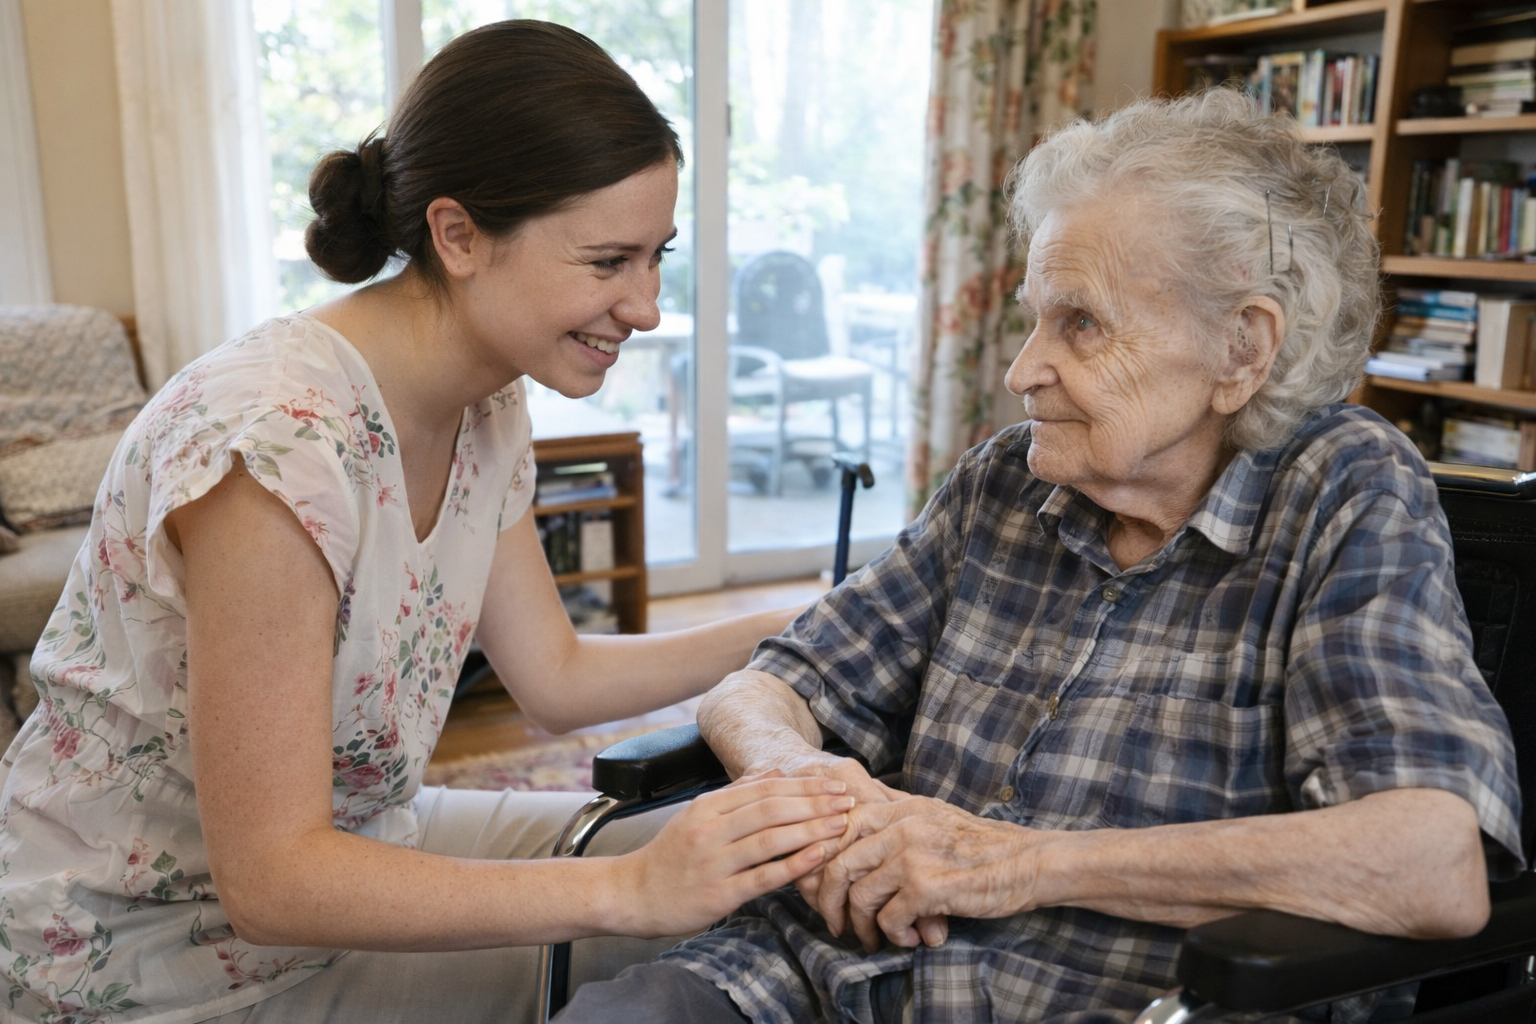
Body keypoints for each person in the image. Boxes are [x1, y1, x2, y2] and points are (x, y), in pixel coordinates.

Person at [554, 89, 1526, 1024]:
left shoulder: (1343, 493)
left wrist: (1019, 861)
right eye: (1034, 316)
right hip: (814, 976)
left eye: (1081, 322)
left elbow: (1429, 864)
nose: (1023, 370)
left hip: (1114, 1000)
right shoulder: (1006, 483)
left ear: (1241, 349)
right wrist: (805, 788)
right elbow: (763, 688)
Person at [0, 20, 855, 1024]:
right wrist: (628, 889)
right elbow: (272, 881)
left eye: (656, 258)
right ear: (457, 236)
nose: (648, 306)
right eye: (608, 261)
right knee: (682, 919)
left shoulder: (488, 402)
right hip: (170, 951)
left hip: (363, 840)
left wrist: (818, 618)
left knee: (762, 882)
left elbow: (558, 678)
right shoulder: (270, 447)